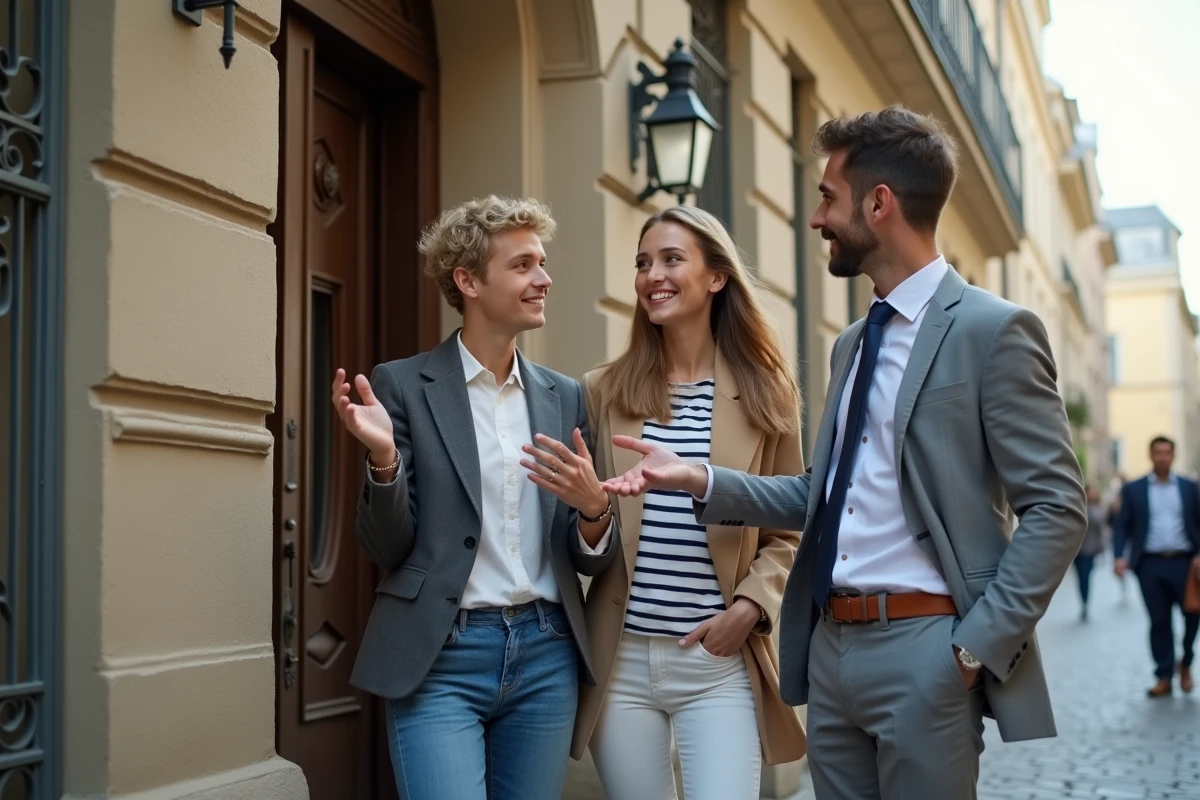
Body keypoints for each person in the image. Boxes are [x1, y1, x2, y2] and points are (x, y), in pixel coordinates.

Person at [602, 106, 1086, 800]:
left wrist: (975, 645)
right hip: (831, 653)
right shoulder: (852, 342)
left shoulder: (994, 330)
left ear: (879, 203)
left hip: (928, 648)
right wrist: (698, 478)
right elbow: (819, 496)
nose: (817, 218)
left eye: (828, 196)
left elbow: (1058, 508)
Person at [331, 196, 619, 799]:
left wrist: (595, 510)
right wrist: (384, 461)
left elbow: (587, 556)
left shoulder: (563, 397)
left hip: (546, 655)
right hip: (441, 655)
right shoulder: (404, 385)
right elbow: (386, 545)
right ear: (467, 280)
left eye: (541, 263)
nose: (543, 279)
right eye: (522, 266)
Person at [568, 206, 806, 800]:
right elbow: (583, 530)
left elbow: (791, 524)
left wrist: (749, 610)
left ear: (717, 276)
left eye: (672, 259)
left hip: (717, 660)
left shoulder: (766, 394)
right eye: (643, 263)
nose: (653, 275)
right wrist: (591, 512)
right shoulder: (601, 390)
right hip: (621, 661)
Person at [1112, 435, 1200, 696]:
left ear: (1173, 456)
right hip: (1149, 565)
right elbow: (1122, 526)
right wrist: (1119, 556)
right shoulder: (1134, 489)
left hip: (1185, 563)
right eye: (1157, 452)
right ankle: (1164, 675)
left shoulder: (1189, 487)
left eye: (1167, 452)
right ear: (1150, 456)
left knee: (1193, 616)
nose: (1162, 456)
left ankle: (1185, 662)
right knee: (1159, 621)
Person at [1075, 485, 1107, 621]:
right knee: (1080, 578)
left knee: (1085, 577)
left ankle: (1085, 603)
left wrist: (1101, 549)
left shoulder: (1098, 510)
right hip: (1076, 550)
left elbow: (1101, 530)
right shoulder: (1078, 506)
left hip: (1090, 550)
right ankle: (1083, 600)